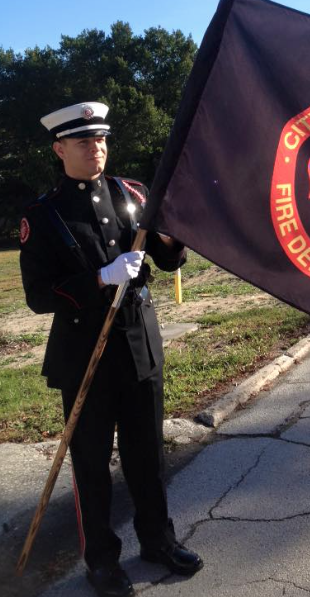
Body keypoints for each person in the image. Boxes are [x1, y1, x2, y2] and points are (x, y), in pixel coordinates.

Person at [19, 102, 203, 597]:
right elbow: (39, 296)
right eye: (82, 142)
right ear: (60, 149)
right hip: (84, 355)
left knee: (147, 455)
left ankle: (157, 541)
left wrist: (170, 237)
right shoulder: (44, 214)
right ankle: (101, 561)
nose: (95, 148)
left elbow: (167, 259)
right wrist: (100, 277)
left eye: (100, 139)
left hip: (140, 345)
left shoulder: (132, 193)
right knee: (92, 465)